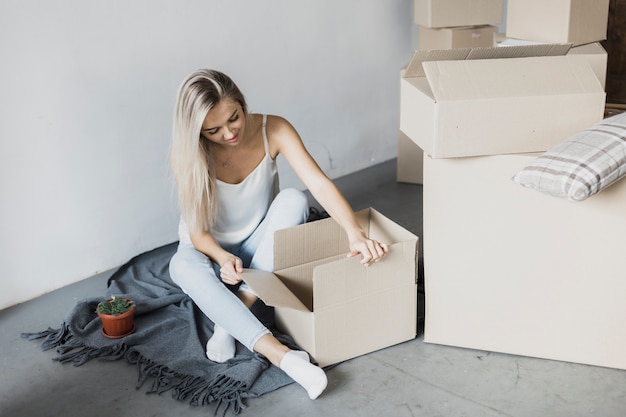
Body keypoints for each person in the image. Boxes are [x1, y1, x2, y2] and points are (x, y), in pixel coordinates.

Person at [168, 69, 388, 400]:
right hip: (210, 250)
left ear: (242, 104)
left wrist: (354, 233)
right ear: (197, 130)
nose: (228, 134)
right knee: (180, 267)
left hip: (260, 242)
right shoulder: (186, 154)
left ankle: (227, 321)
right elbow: (198, 233)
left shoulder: (275, 129)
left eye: (234, 118)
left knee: (295, 199)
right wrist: (221, 257)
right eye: (213, 130)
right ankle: (285, 358)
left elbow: (318, 183)